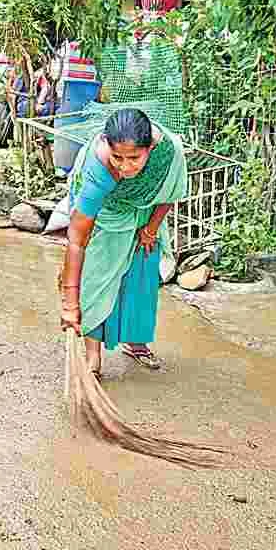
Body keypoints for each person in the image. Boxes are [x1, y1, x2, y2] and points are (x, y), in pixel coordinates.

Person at [58, 108, 188, 378]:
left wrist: (151, 229)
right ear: (106, 144)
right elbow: (77, 240)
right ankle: (93, 356)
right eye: (118, 157)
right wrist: (70, 304)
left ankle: (136, 342)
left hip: (147, 207)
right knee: (96, 274)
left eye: (134, 158)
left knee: (141, 271)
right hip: (108, 212)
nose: (125, 166)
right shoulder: (98, 168)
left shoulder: (168, 152)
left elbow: (169, 192)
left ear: (149, 148)